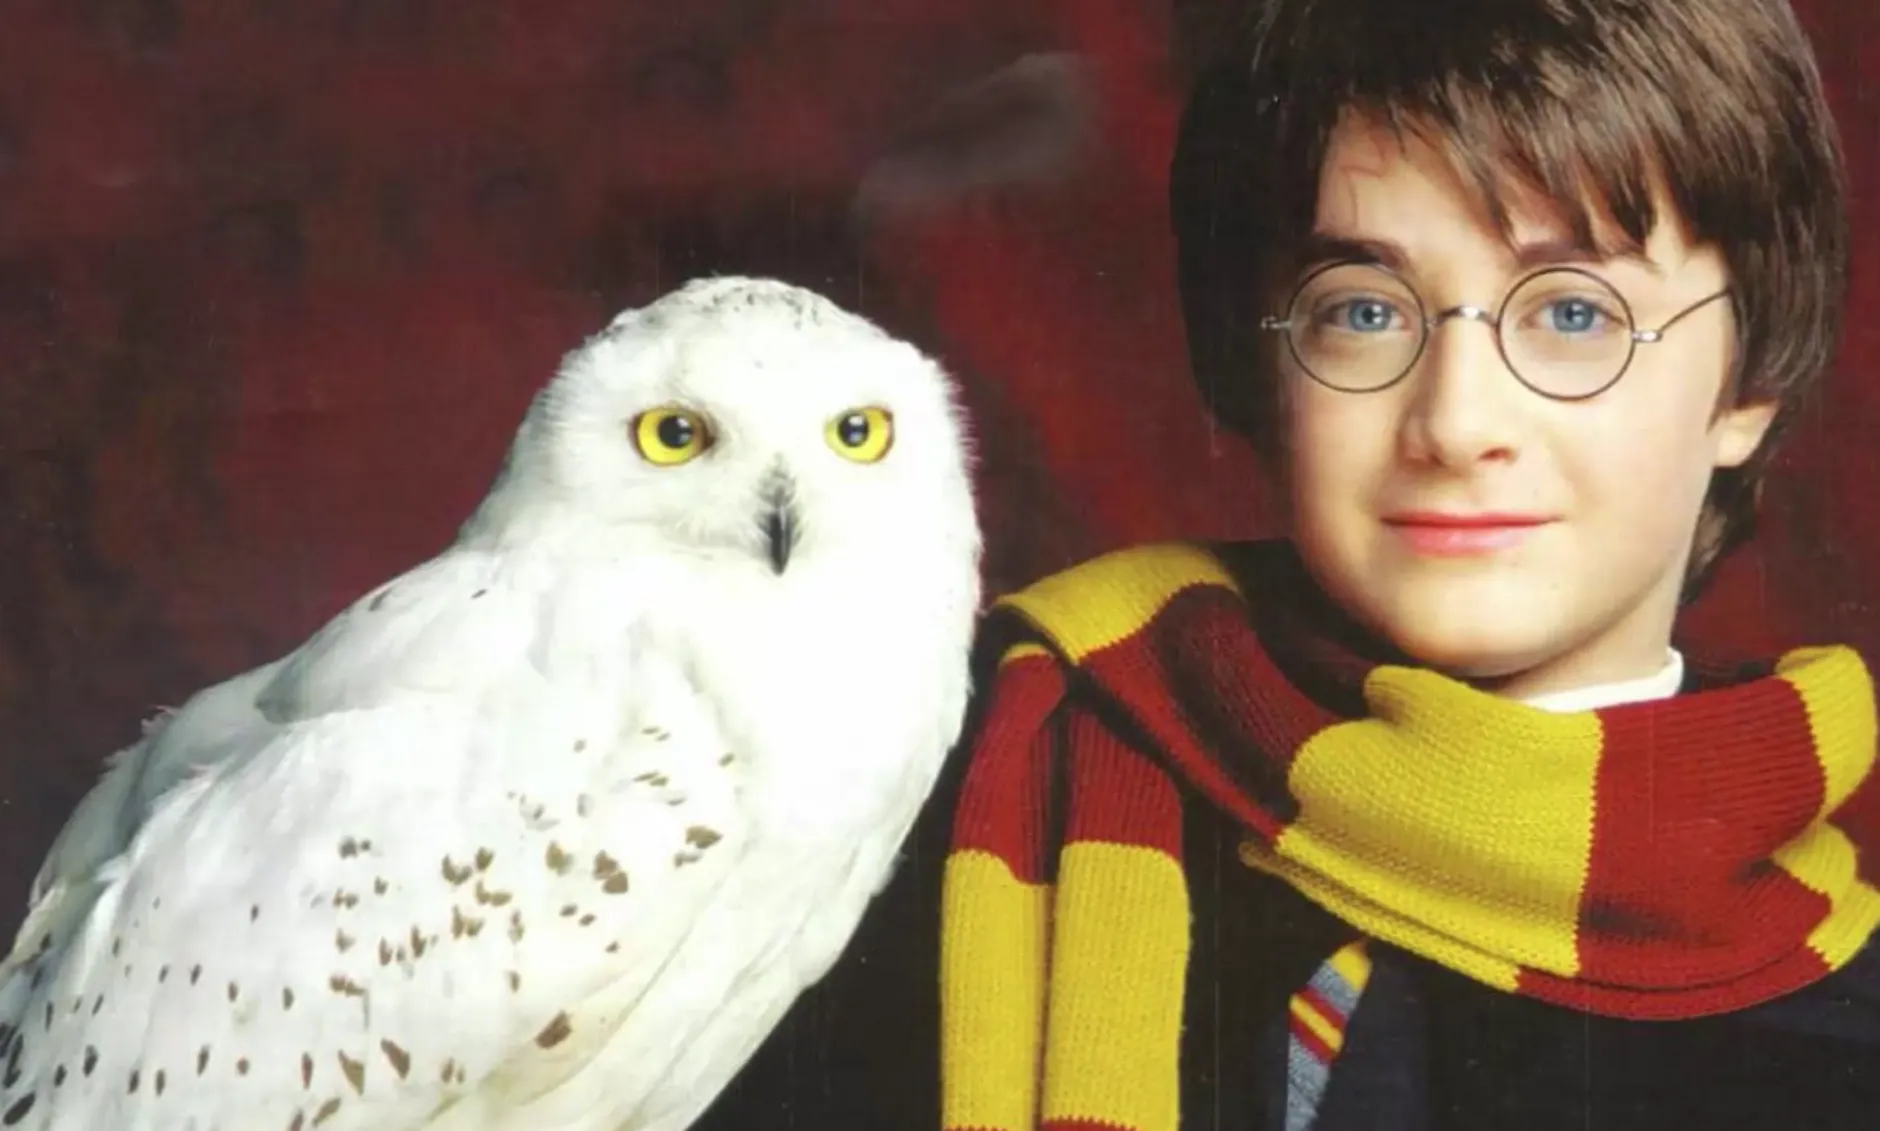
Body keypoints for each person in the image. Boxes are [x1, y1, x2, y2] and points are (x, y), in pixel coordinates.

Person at [934, 0, 1880, 1129]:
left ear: (1748, 382)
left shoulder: (1844, 1030)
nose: (1454, 422)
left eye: (1574, 313)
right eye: (1364, 310)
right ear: (1264, 366)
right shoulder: (992, 781)